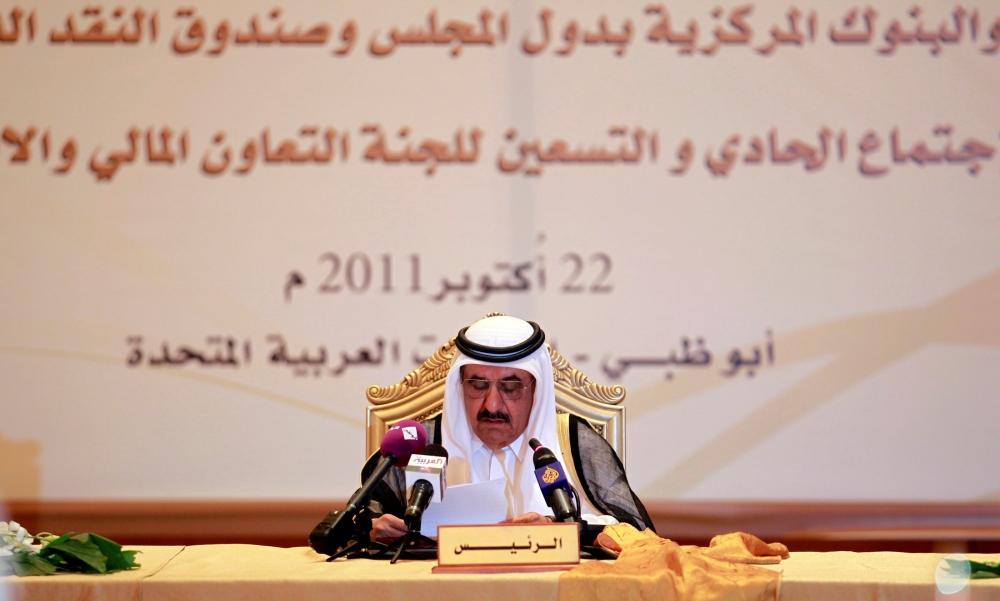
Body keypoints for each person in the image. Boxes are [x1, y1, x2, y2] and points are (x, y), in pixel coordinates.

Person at [367, 314, 653, 541]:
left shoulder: (572, 441)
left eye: (511, 387)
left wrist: (563, 529)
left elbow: (638, 536)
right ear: (459, 385)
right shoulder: (422, 445)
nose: (492, 404)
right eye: (478, 385)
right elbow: (355, 528)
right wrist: (375, 531)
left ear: (536, 390)